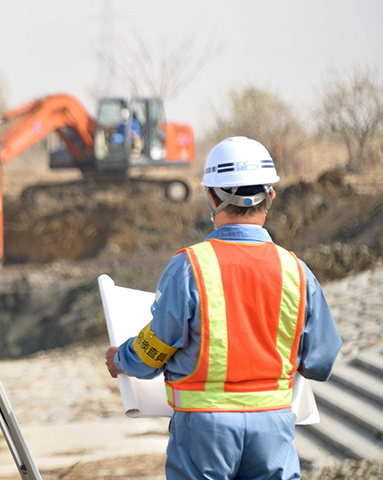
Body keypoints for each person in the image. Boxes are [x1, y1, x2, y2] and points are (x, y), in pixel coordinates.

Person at [104, 137, 341, 480]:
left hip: (205, 429)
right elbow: (321, 361)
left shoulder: (190, 267)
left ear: (210, 197)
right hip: (273, 426)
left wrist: (122, 359)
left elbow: (156, 347)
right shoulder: (297, 270)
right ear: (270, 196)